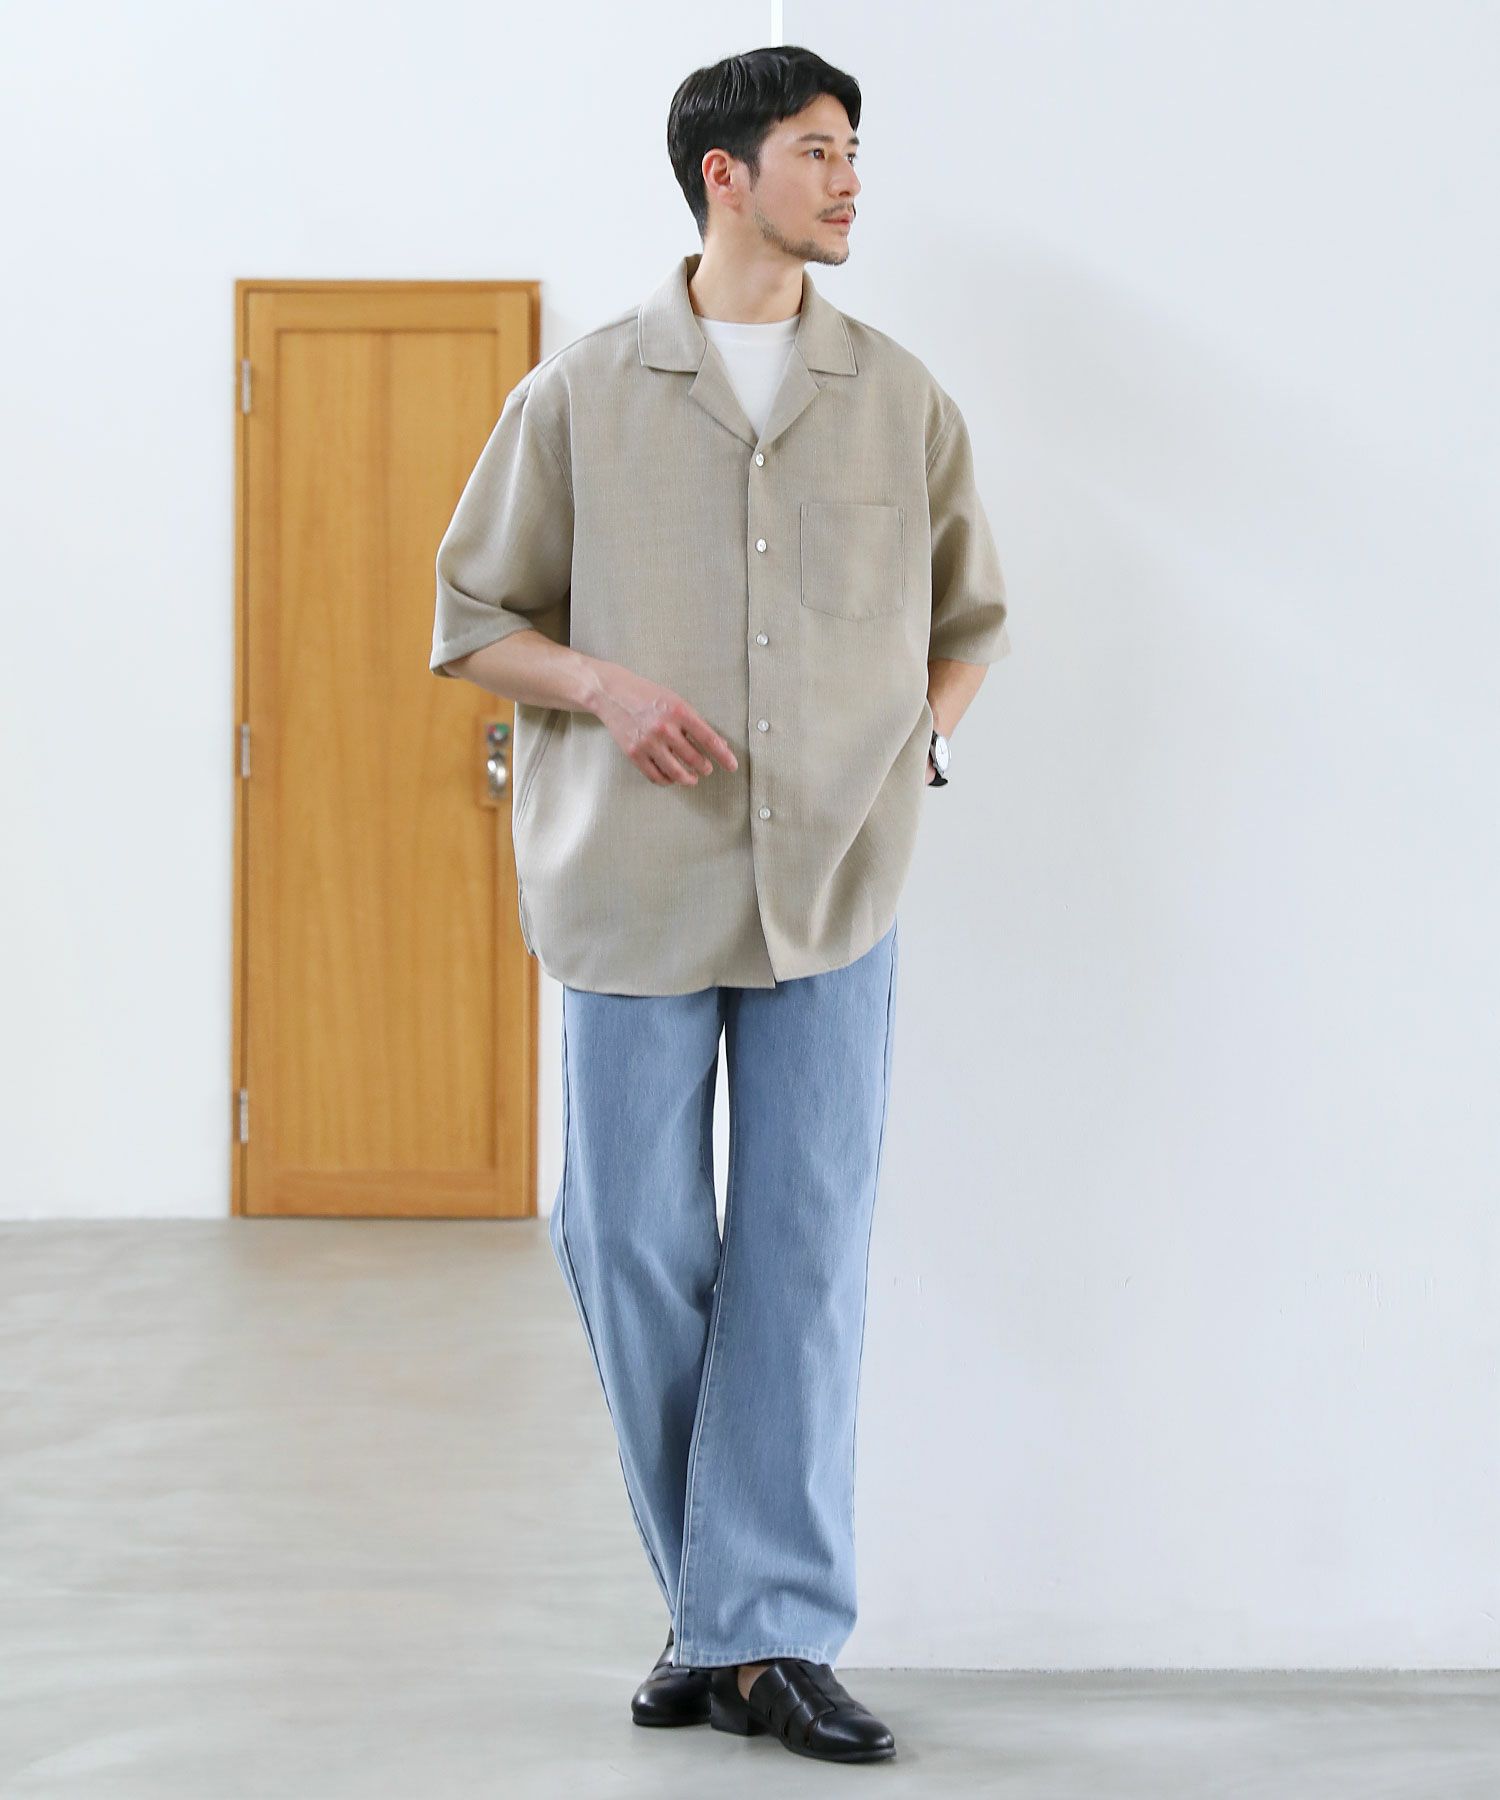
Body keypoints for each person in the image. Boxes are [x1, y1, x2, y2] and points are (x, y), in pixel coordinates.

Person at [430, 44, 1011, 1766]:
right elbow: (472, 620)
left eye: (854, 149)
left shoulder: (896, 397)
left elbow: (970, 622)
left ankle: (759, 1633)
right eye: (818, 151)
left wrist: (916, 750)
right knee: (627, 1239)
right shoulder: (580, 395)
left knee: (805, 1256)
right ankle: (729, 1616)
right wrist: (604, 688)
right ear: (724, 177)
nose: (850, 177)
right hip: (630, 880)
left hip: (837, 885)